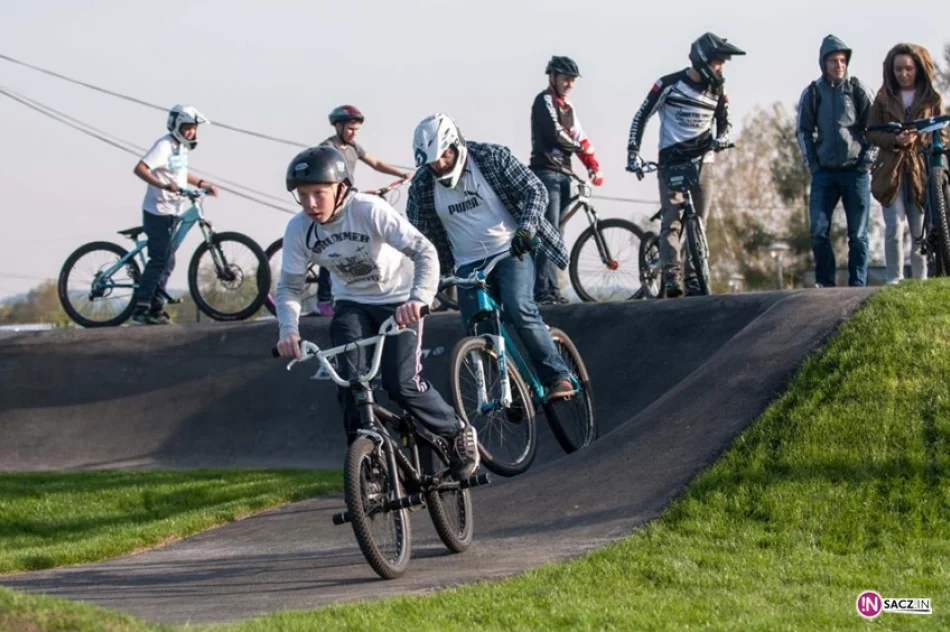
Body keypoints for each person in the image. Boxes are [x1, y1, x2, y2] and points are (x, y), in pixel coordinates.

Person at [274, 145, 478, 480]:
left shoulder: (369, 210)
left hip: (399, 301)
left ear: (340, 187)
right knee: (351, 385)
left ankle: (455, 432)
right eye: (303, 195)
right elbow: (290, 288)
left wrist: (419, 298)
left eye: (318, 194)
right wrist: (288, 331)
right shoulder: (299, 229)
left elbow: (424, 250)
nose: (310, 204)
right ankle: (368, 469)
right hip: (352, 305)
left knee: (402, 384)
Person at [406, 113, 575, 400]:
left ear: (455, 145)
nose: (439, 166)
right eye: (432, 162)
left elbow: (535, 190)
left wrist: (526, 229)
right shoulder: (423, 185)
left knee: (518, 307)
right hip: (466, 265)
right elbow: (418, 236)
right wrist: (426, 283)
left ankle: (557, 376)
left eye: (443, 157)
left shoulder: (490, 158)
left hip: (510, 249)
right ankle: (514, 390)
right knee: (478, 329)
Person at [626, 33, 744, 297]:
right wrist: (633, 152)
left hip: (704, 162)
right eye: (717, 63)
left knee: (699, 222)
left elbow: (725, 124)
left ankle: (694, 279)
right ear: (702, 61)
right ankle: (671, 276)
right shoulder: (668, 84)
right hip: (672, 163)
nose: (721, 69)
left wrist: (722, 139)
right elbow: (640, 117)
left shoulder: (719, 90)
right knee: (673, 220)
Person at [308, 105, 414, 318]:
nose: (353, 133)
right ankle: (323, 300)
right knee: (331, 247)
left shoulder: (353, 148)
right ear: (337, 126)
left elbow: (375, 163)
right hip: (330, 205)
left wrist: (400, 174)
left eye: (356, 130)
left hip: (347, 201)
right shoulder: (327, 149)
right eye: (350, 129)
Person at [796, 35, 878, 288]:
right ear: (823, 62)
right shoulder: (812, 93)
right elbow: (803, 131)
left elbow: (875, 128)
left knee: (858, 235)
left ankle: (858, 286)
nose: (839, 65)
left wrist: (867, 161)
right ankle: (825, 283)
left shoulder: (858, 89)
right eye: (833, 60)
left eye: (843, 60)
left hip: (855, 172)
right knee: (818, 232)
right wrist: (813, 165)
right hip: (824, 174)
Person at [131, 104, 218, 325]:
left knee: (168, 260)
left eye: (193, 128)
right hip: (158, 211)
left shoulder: (181, 148)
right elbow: (140, 168)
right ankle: (141, 308)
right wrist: (161, 184)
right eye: (187, 127)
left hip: (174, 209)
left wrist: (202, 183)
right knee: (160, 258)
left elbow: (179, 173)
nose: (191, 132)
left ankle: (156, 308)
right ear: (177, 125)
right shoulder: (164, 145)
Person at [866, 43, 946, 284]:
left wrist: (919, 137)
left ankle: (921, 281)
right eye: (898, 69)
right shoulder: (883, 98)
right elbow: (871, 132)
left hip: (920, 171)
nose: (903, 74)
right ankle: (894, 279)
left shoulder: (933, 98)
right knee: (894, 228)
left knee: (919, 229)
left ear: (918, 69)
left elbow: (943, 133)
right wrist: (895, 139)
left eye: (908, 69)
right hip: (891, 171)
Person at [529, 55, 604, 305]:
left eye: (572, 80)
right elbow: (555, 133)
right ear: (553, 77)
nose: (569, 83)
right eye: (565, 78)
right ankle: (542, 290)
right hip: (546, 172)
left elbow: (581, 138)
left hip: (564, 175)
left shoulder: (569, 110)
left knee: (557, 234)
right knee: (548, 231)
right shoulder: (544, 101)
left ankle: (551, 288)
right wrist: (579, 149)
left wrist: (593, 166)